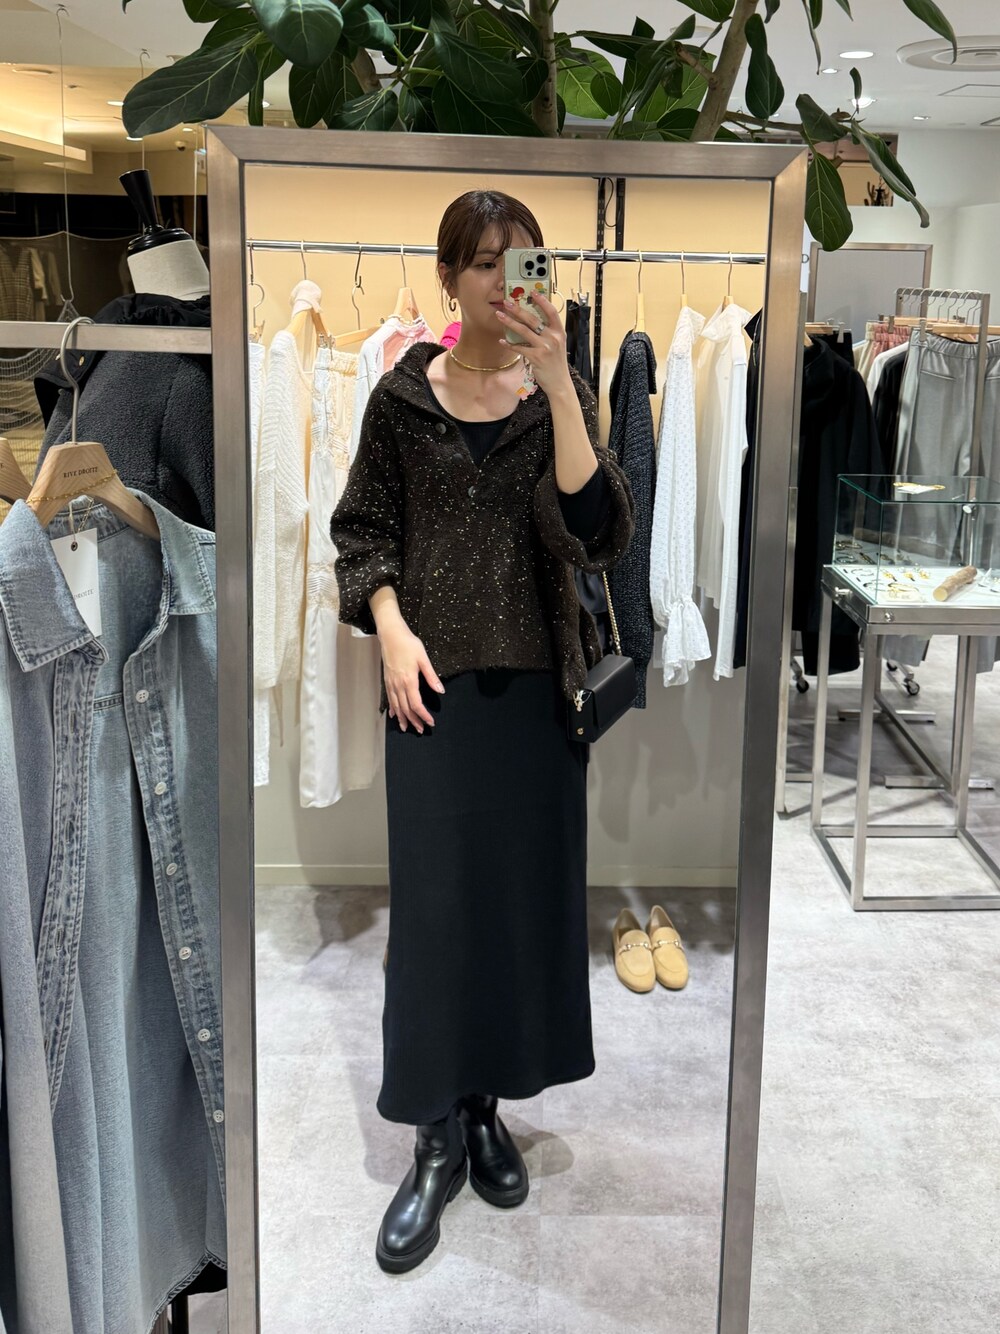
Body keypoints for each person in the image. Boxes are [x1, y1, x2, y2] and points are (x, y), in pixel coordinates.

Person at [330, 190, 636, 1274]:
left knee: (515, 914)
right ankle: (433, 1134)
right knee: (435, 922)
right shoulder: (400, 398)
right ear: (451, 279)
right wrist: (388, 626)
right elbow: (362, 532)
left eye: (527, 264)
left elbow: (593, 532)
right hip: (433, 696)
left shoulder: (560, 393)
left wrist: (559, 388)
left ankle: (487, 1107)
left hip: (537, 704)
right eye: (489, 265)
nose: (511, 285)